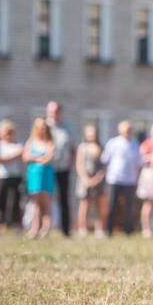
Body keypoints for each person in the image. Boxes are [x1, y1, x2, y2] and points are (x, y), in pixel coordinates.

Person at [100, 121, 141, 236]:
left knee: (129, 207)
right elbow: (105, 160)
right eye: (126, 130)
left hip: (130, 180)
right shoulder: (113, 143)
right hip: (114, 179)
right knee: (112, 205)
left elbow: (138, 164)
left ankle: (128, 231)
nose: (128, 132)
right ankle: (109, 230)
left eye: (129, 130)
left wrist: (137, 179)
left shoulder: (135, 144)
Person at [22, 118, 56, 239]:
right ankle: (34, 229)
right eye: (39, 128)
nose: (42, 130)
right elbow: (25, 156)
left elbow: (49, 158)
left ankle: (45, 229)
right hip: (34, 175)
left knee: (46, 202)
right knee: (35, 203)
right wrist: (40, 159)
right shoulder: (31, 141)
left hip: (46, 175)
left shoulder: (49, 142)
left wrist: (35, 158)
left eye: (43, 128)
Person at [45, 101, 73, 237]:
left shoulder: (66, 127)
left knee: (63, 199)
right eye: (51, 111)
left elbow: (72, 148)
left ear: (60, 112)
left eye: (55, 111)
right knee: (45, 200)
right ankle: (44, 229)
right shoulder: (43, 127)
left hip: (63, 168)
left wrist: (71, 164)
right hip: (46, 168)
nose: (53, 114)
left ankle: (65, 230)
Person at [74, 123, 106, 238]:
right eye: (89, 132)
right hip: (85, 179)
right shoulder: (82, 147)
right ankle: (82, 229)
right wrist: (86, 179)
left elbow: (103, 167)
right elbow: (79, 165)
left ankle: (100, 229)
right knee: (84, 204)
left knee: (99, 204)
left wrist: (97, 178)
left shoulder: (100, 147)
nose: (91, 134)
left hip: (98, 179)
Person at [0, 119, 24, 235]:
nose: (8, 135)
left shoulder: (18, 143)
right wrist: (14, 155)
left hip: (15, 177)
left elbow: (22, 156)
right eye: (6, 132)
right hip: (2, 177)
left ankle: (16, 226)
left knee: (15, 203)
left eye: (10, 132)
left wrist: (8, 158)